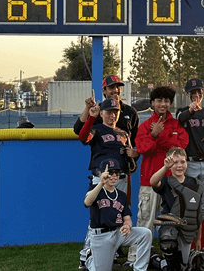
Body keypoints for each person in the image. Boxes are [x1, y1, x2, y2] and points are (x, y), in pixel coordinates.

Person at [133, 86, 189, 265]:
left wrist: (159, 139)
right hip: (148, 182)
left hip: (171, 183)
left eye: (166, 101)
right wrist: (153, 135)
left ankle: (170, 257)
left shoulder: (176, 125)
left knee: (171, 222)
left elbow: (180, 147)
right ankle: (136, 259)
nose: (162, 104)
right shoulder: (145, 126)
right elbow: (142, 148)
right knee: (145, 222)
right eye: (159, 101)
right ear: (152, 103)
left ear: (170, 104)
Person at [77, 98, 135, 269]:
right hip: (100, 179)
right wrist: (90, 118)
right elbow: (82, 138)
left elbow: (131, 160)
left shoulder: (124, 134)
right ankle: (85, 255)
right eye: (108, 111)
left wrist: (134, 155)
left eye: (115, 112)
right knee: (96, 218)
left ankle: (109, 254)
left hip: (120, 179)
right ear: (101, 113)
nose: (112, 115)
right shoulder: (96, 129)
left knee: (115, 216)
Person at [176, 78, 204, 253]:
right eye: (192, 92)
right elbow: (180, 119)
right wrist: (190, 110)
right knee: (190, 205)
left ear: (203, 92)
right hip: (191, 164)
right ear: (187, 94)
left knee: (203, 206)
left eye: (199, 91)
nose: (196, 95)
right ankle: (190, 245)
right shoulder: (183, 111)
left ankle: (201, 247)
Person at [83, 158, 152, 271]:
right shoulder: (95, 189)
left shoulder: (121, 195)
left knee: (145, 233)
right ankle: (90, 258)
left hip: (119, 233)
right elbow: (87, 202)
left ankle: (139, 269)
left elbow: (127, 218)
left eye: (117, 173)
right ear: (101, 174)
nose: (114, 176)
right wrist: (101, 183)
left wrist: (127, 226)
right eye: (110, 172)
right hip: (101, 236)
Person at [149, 147, 203, 271]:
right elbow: (152, 181)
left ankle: (158, 262)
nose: (179, 166)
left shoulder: (195, 184)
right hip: (169, 227)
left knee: (184, 266)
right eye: (175, 162)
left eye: (182, 162)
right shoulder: (166, 182)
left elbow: (198, 214)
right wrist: (165, 167)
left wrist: (199, 239)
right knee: (169, 240)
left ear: (187, 163)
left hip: (187, 226)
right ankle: (167, 263)